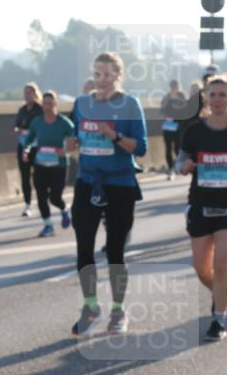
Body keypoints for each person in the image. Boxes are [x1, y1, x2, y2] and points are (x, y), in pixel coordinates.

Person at [69, 52, 147, 336]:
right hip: (88, 182)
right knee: (83, 248)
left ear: (118, 75)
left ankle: (118, 310)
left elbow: (141, 148)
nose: (100, 80)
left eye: (106, 74)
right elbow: (76, 137)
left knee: (115, 251)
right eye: (97, 74)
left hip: (120, 184)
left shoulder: (130, 104)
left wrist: (114, 136)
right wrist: (72, 142)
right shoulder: (81, 104)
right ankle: (91, 307)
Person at [177, 74, 227, 341]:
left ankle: (219, 319)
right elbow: (180, 162)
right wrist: (184, 166)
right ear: (206, 98)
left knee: (221, 263)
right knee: (201, 268)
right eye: (212, 94)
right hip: (200, 203)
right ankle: (220, 292)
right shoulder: (194, 131)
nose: (217, 100)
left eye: (223, 94)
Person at [22, 90, 74, 237]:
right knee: (41, 196)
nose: (47, 107)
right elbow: (29, 140)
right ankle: (48, 225)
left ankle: (64, 209)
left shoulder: (63, 122)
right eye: (45, 104)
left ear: (56, 104)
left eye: (50, 104)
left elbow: (75, 137)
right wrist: (26, 151)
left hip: (59, 166)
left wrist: (66, 150)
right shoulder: (37, 122)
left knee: (55, 198)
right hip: (41, 164)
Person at [11, 83, 43, 217]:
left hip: (36, 146)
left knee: (38, 176)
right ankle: (27, 204)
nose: (27, 95)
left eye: (30, 92)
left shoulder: (40, 110)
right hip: (24, 145)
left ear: (35, 94)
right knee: (25, 176)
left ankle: (42, 201)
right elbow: (17, 125)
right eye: (25, 93)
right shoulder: (22, 110)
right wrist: (17, 129)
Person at [159, 79, 186, 180]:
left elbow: (185, 110)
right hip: (168, 125)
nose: (174, 89)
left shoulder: (182, 96)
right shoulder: (166, 97)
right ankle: (170, 168)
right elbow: (162, 110)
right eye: (172, 87)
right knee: (168, 148)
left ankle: (178, 165)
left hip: (178, 125)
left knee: (177, 147)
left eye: (176, 87)